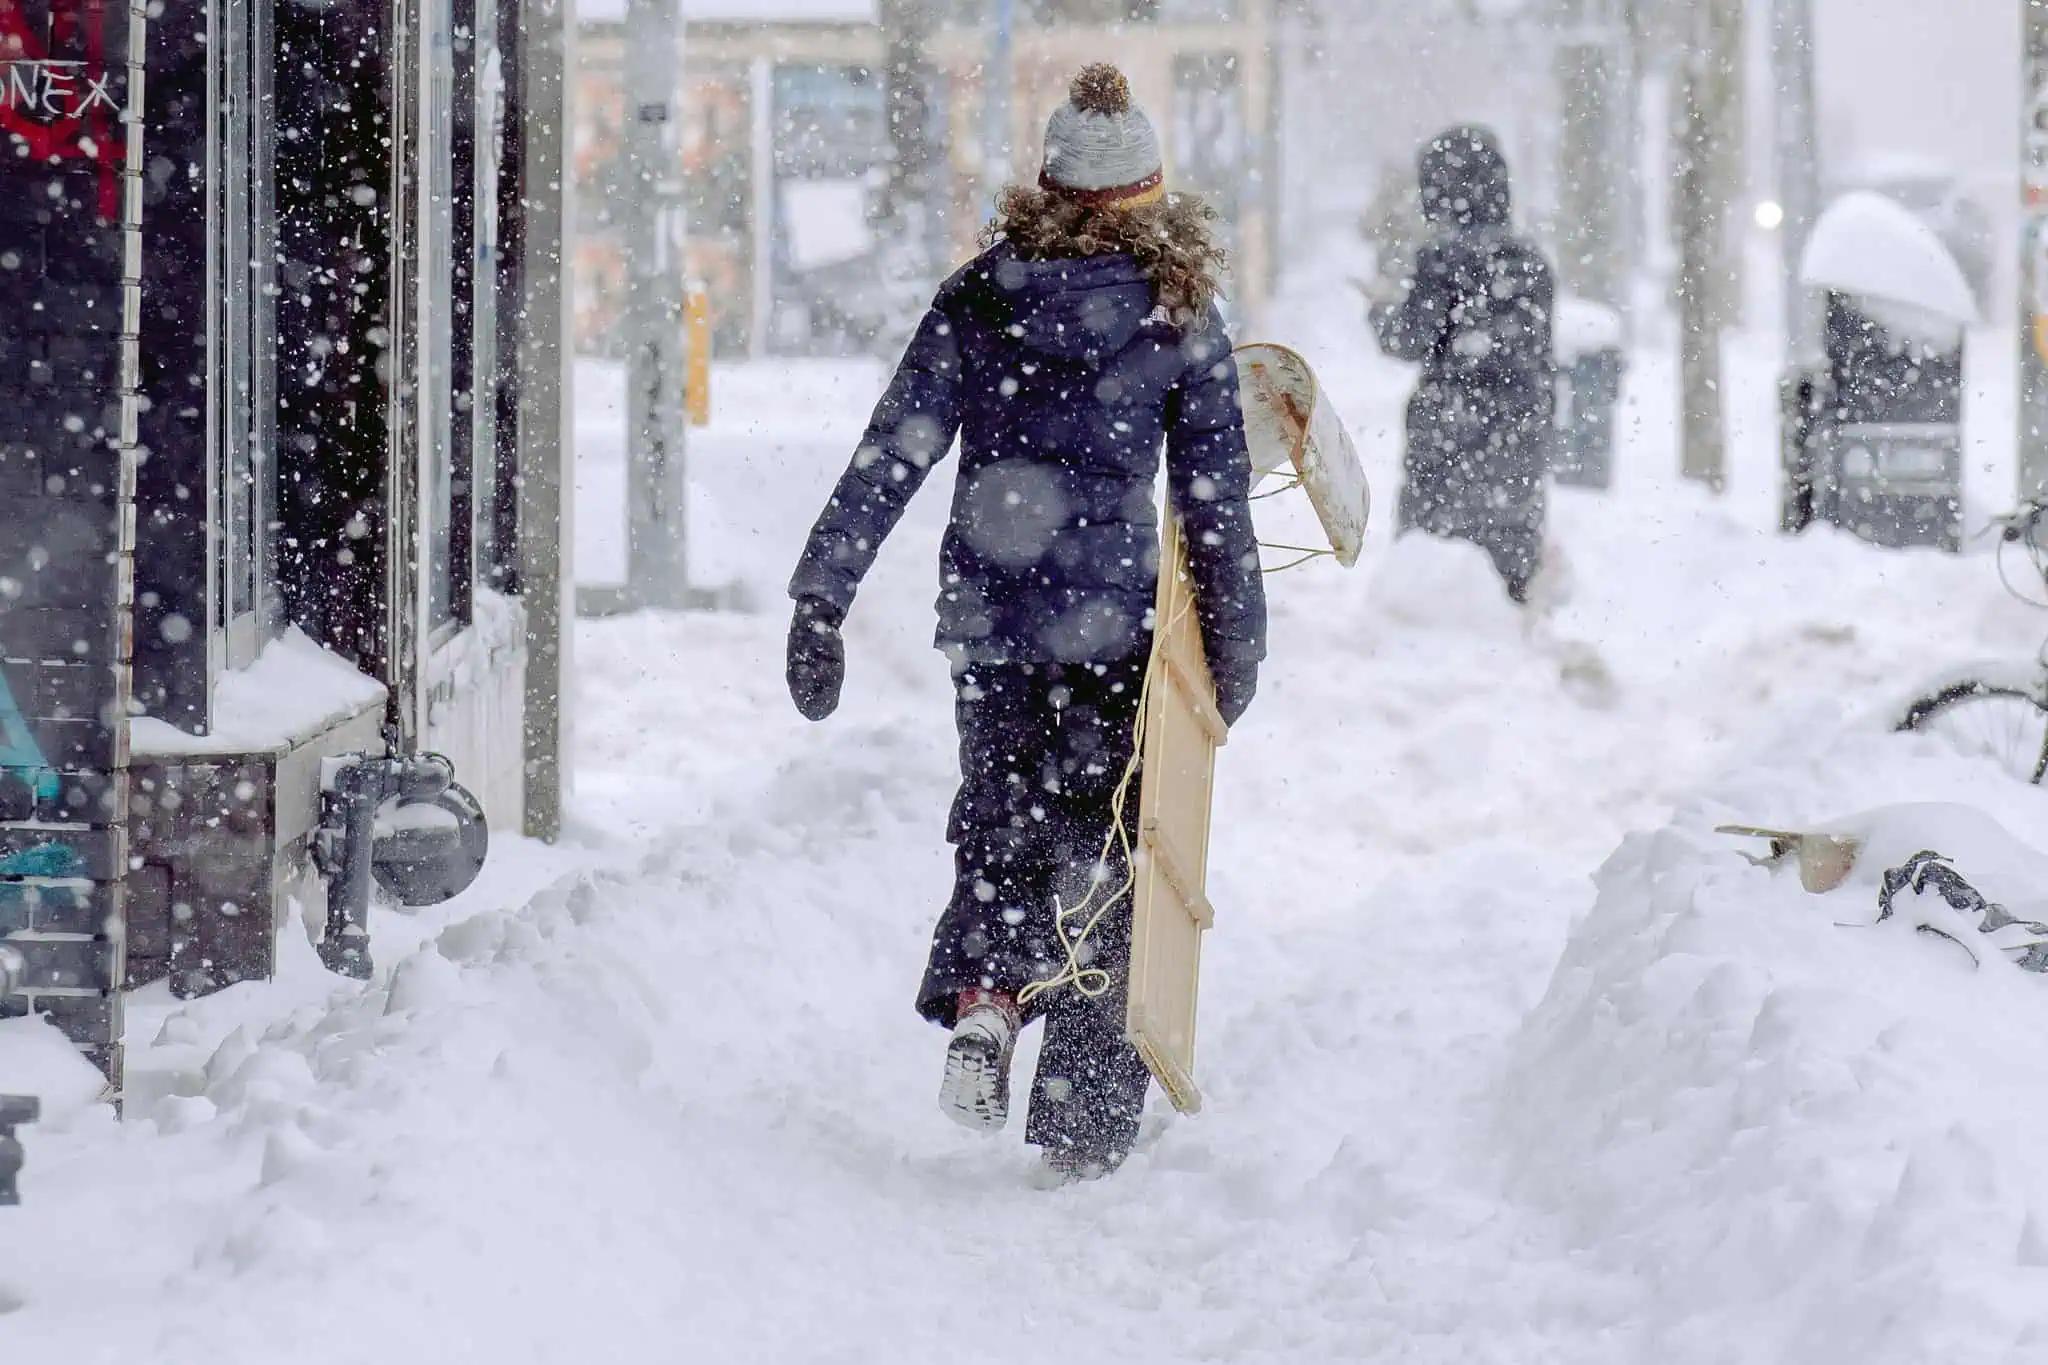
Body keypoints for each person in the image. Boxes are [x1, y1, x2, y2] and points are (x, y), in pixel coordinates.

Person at [783, 64, 1267, 1185]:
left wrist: (822, 595)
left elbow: (891, 452)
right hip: (1110, 637)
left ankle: (989, 1003)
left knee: (999, 827)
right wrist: (1230, 661)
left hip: (994, 625)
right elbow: (1213, 509)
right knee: (1104, 857)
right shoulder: (1177, 316)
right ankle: (1082, 1114)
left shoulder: (980, 295)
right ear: (1146, 192)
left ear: (1045, 184)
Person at [1372, 126, 1555, 602]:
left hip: (1449, 430)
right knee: (1509, 555)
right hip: (1518, 429)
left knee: (1437, 561)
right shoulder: (1532, 261)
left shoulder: (1441, 259)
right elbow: (1541, 354)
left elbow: (1409, 339)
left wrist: (1380, 308)